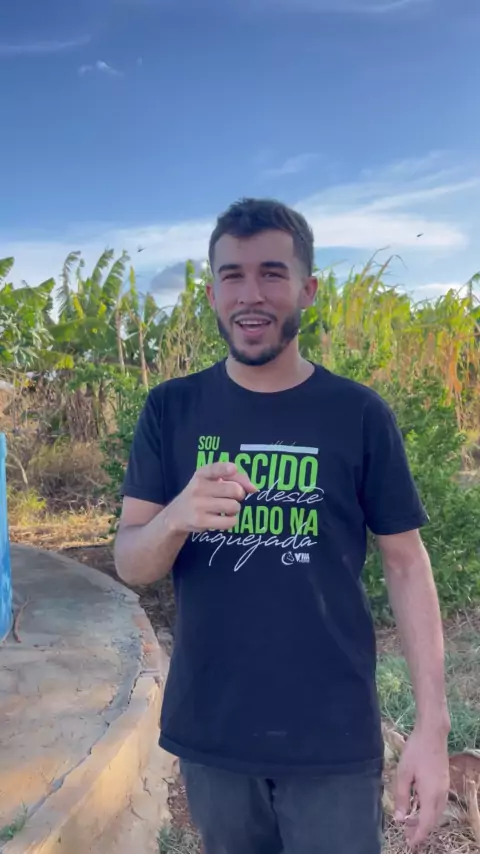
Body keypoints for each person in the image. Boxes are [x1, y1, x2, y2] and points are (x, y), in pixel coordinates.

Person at [115, 198, 450, 853]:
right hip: (214, 732)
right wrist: (177, 517)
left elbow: (407, 563)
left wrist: (432, 727)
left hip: (332, 736)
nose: (251, 294)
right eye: (233, 276)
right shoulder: (171, 409)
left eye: (272, 273)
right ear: (212, 295)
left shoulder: (358, 413)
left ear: (307, 289)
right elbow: (132, 562)